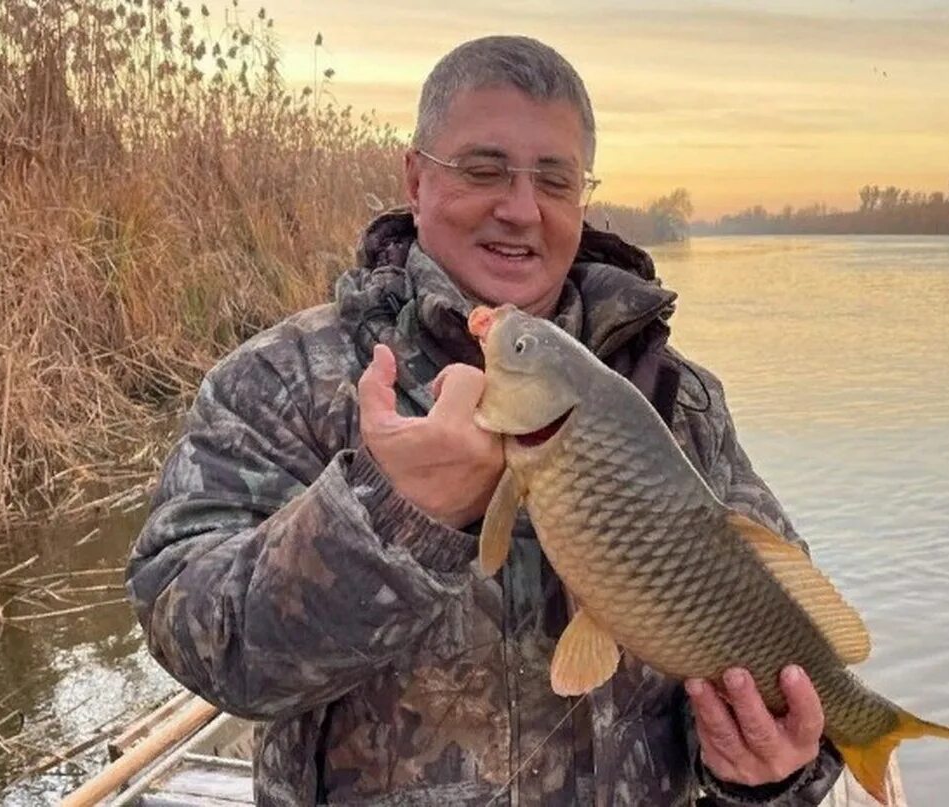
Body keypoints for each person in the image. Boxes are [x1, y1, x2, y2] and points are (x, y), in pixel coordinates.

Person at [126, 35, 845, 807]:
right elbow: (198, 640)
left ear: (581, 200)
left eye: (554, 179)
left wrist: (774, 770)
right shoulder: (282, 379)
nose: (520, 208)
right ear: (415, 178)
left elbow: (793, 666)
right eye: (483, 169)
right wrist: (394, 516)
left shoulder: (679, 399)